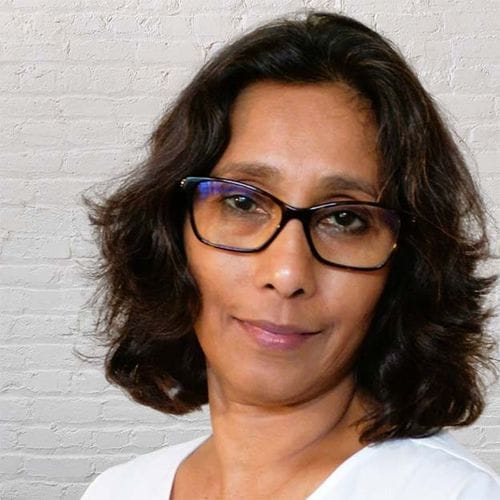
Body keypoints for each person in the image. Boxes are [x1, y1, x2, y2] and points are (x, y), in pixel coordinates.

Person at [80, 10, 500, 500]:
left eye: (346, 219)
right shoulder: (118, 490)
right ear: (171, 234)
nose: (286, 273)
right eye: (243, 202)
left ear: (405, 265)